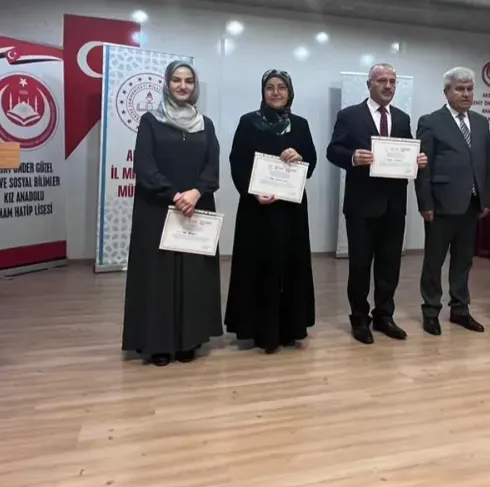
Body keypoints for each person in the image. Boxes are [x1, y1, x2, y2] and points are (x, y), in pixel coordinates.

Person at [122, 62, 222, 366]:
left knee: (193, 277)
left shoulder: (205, 124)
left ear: (195, 86)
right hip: (157, 209)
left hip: (196, 208)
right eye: (176, 80)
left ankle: (189, 340)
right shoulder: (151, 121)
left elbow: (212, 166)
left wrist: (196, 193)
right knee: (159, 277)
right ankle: (159, 344)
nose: (183, 86)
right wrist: (174, 195)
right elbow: (144, 165)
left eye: (188, 81)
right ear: (167, 84)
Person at [326, 63, 426, 344]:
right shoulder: (350, 115)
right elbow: (333, 150)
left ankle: (384, 316)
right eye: (381, 80)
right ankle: (360, 319)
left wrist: (418, 160)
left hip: (394, 205)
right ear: (369, 84)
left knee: (389, 266)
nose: (388, 86)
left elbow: (407, 152)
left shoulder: (403, 118)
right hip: (361, 205)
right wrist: (352, 158)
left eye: (392, 81)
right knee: (359, 266)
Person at [224, 70, 316, 354]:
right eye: (270, 87)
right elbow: (237, 162)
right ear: (263, 92)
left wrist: (300, 157)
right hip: (257, 210)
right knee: (258, 266)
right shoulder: (248, 122)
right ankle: (257, 329)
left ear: (290, 92)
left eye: (282, 87)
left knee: (290, 266)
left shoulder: (300, 125)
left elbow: (311, 162)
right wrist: (252, 192)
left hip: (291, 211)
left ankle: (290, 328)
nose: (276, 92)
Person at [415, 67, 490, 336]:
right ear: (446, 92)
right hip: (441, 205)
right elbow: (422, 167)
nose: (466, 94)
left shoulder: (481, 122)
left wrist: (487, 198)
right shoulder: (431, 121)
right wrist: (425, 203)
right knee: (434, 262)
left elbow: (488, 163)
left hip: (471, 205)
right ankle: (431, 311)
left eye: (470, 89)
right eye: (460, 89)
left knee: (463, 262)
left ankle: (460, 309)